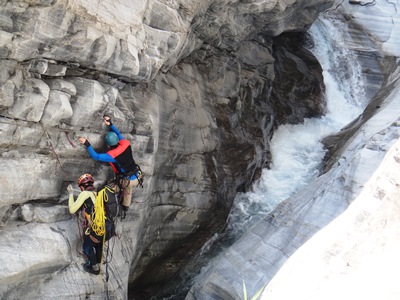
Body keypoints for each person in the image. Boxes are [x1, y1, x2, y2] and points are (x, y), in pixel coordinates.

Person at [78, 115, 142, 212]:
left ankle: (120, 207)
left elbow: (96, 156)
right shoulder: (126, 143)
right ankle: (125, 205)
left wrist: (87, 143)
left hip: (127, 181)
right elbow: (118, 134)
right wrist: (110, 124)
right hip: (137, 176)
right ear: (117, 141)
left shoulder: (112, 155)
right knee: (125, 184)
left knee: (107, 190)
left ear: (108, 145)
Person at [68, 174, 102, 275]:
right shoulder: (98, 193)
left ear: (82, 187)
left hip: (93, 226)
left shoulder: (85, 194)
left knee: (87, 246)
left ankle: (95, 268)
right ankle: (98, 264)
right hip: (104, 225)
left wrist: (70, 194)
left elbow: (72, 209)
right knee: (98, 244)